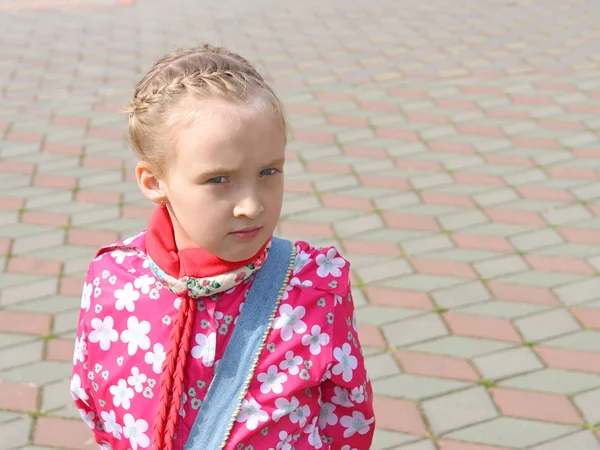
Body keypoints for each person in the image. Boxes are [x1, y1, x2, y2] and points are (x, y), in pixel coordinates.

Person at [71, 44, 375, 450]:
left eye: (269, 172)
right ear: (152, 181)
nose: (251, 205)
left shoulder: (314, 287)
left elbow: (346, 418)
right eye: (218, 179)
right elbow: (96, 401)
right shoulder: (114, 279)